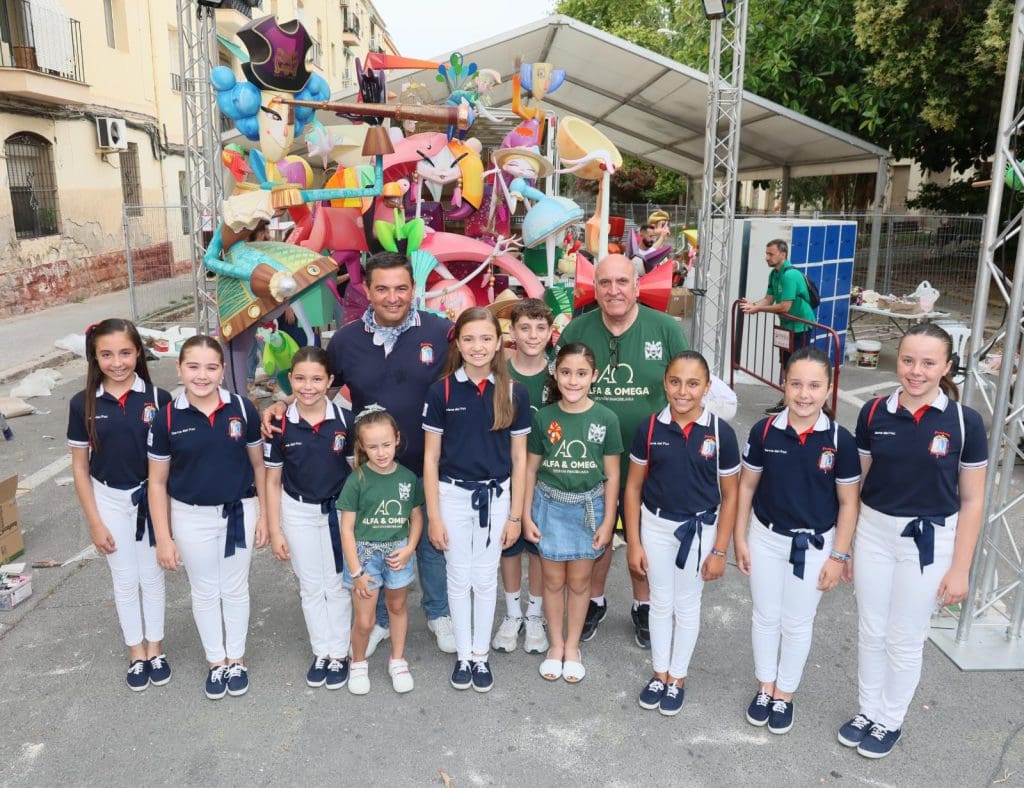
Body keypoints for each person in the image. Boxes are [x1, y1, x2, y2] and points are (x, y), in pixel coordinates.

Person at [262, 251, 455, 657]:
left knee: (429, 544)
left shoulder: (440, 332)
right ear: (366, 290)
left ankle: (438, 613)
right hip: (372, 470)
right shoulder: (347, 340)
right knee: (376, 544)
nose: (392, 297)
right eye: (382, 288)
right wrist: (282, 403)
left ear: (413, 289)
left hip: (427, 463)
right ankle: (380, 620)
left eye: (401, 288)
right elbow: (319, 387)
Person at [837, 323, 987, 758]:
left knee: (905, 636)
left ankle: (890, 719)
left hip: (929, 540)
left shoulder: (965, 422)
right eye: (907, 360)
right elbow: (857, 485)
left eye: (928, 362)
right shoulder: (873, 413)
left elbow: (973, 500)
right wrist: (847, 547)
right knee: (871, 629)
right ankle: (867, 710)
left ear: (947, 367)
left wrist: (960, 569)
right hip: (874, 534)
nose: (915, 371)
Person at [556, 252, 689, 648]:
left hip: (652, 459)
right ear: (594, 289)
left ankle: (643, 605)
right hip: (589, 458)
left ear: (637, 286)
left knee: (643, 537)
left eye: (621, 282)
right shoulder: (577, 330)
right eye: (605, 283)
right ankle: (593, 602)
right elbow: (557, 388)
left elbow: (687, 388)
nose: (613, 290)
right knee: (594, 535)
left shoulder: (665, 329)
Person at [734, 347, 860, 734]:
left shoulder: (840, 440)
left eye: (814, 386)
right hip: (766, 538)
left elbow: (848, 502)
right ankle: (765, 686)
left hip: (816, 545)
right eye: (796, 384)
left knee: (797, 621)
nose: (804, 394)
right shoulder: (764, 431)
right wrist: (740, 536)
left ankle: (785, 693)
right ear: (784, 384)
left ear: (828, 388)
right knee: (765, 615)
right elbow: (746, 487)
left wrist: (838, 555)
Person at [148, 336, 268, 700]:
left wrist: (264, 516)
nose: (202, 375)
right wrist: (164, 537)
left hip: (239, 511)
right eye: (193, 367)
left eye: (211, 367)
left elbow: (259, 466)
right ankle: (216, 662)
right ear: (179, 368)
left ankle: (237, 659)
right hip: (190, 517)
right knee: (204, 590)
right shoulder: (167, 417)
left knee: (234, 587)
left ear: (223, 370)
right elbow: (157, 482)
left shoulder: (242, 409)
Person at [624, 351, 740, 716]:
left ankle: (678, 677)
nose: (683, 391)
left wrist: (720, 550)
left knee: (687, 604)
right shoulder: (650, 428)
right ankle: (659, 673)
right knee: (660, 601)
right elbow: (633, 487)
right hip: (655, 526)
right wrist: (634, 542)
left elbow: (731, 494)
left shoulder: (720, 433)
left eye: (693, 383)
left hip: (699, 528)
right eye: (675, 382)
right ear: (665, 383)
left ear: (707, 387)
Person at [423, 307, 531, 693]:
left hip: (496, 497)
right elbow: (431, 458)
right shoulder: (441, 391)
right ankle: (463, 656)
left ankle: (480, 656)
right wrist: (434, 516)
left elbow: (519, 458)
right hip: (452, 496)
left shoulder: (514, 391)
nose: (478, 346)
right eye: (469, 338)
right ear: (457, 343)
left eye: (486, 338)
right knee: (457, 575)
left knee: (485, 577)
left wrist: (515, 516)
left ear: (499, 343)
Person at [67, 318, 171, 691]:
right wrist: (95, 522)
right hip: (107, 498)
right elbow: (80, 468)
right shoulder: (82, 403)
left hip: (149, 498)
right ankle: (136, 652)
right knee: (125, 579)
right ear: (95, 357)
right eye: (107, 355)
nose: (117, 362)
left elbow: (169, 464)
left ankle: (155, 648)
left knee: (152, 575)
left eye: (125, 353)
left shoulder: (159, 399)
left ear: (138, 353)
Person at [524, 342, 621, 683]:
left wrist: (609, 522)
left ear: (594, 376)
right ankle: (555, 646)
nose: (573, 380)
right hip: (549, 508)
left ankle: (572, 646)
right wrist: (526, 515)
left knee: (579, 584)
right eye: (566, 372)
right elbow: (530, 469)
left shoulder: (606, 419)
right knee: (553, 582)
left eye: (581, 373)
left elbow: (612, 475)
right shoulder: (544, 418)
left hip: (588, 510)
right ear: (555, 373)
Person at [265, 347, 353, 691]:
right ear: (290, 379)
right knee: (311, 586)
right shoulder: (279, 424)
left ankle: (340, 653)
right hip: (297, 511)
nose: (308, 386)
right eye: (300, 378)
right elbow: (273, 480)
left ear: (329, 381)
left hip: (338, 512)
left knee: (337, 584)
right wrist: (275, 530)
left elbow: (357, 472)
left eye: (317, 379)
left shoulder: (345, 421)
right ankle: (322, 652)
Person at [339, 406, 424, 695]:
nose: (381, 452)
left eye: (386, 444)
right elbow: (346, 529)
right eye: (373, 446)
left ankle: (397, 660)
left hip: (397, 553)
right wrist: (356, 572)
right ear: (362, 446)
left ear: (397, 439)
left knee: (397, 607)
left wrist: (410, 548)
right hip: (364, 557)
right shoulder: (357, 480)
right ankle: (358, 663)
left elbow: (416, 517)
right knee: (365, 620)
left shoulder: (408, 478)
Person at [493, 298, 552, 655]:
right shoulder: (499, 371)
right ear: (512, 331)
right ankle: (513, 612)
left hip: (547, 477)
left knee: (540, 547)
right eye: (525, 328)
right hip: (506, 472)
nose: (532, 335)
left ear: (550, 332)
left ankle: (535, 614)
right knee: (509, 544)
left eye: (540, 328)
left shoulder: (559, 373)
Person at [738, 239, 815, 414]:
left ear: (783, 254)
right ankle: (788, 400)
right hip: (786, 327)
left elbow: (785, 306)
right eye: (766, 253)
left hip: (800, 327)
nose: (767, 257)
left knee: (796, 366)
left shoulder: (790, 275)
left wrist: (758, 309)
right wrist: (753, 305)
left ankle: (795, 403)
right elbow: (769, 299)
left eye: (770, 254)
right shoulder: (774, 274)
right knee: (786, 364)